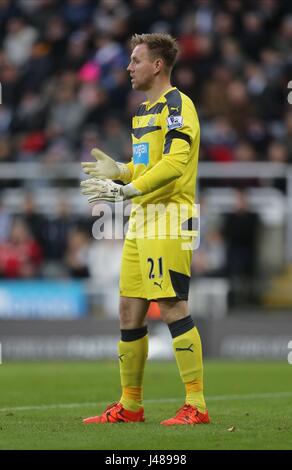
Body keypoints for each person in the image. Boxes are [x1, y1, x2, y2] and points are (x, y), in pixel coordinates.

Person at [81, 33, 210, 426]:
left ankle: (197, 405)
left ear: (157, 65)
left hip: (171, 215)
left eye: (135, 60)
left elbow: (173, 165)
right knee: (129, 310)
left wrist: (129, 188)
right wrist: (121, 171)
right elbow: (146, 165)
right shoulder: (142, 112)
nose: (128, 67)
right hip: (143, 218)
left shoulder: (178, 106)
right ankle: (130, 405)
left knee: (171, 306)